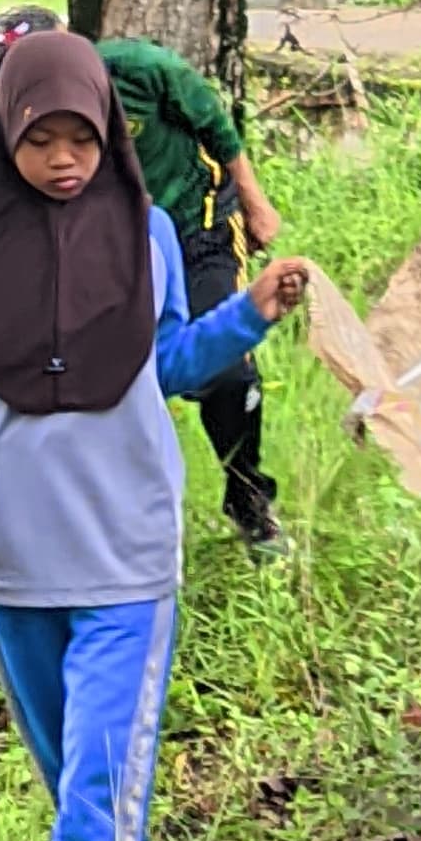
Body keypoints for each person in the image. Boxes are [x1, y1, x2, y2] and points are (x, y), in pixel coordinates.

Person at [0, 32, 309, 841]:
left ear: (110, 137)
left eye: (82, 138)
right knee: (68, 765)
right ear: (2, 133)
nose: (63, 159)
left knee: (100, 762)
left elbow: (166, 366)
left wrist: (248, 313)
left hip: (127, 543)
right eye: (40, 138)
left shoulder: (149, 236)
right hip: (12, 556)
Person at [97, 32, 291, 552]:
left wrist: (255, 203)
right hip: (111, 248)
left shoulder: (140, 69)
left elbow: (216, 125)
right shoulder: (17, 118)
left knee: (228, 373)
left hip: (196, 227)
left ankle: (250, 500)